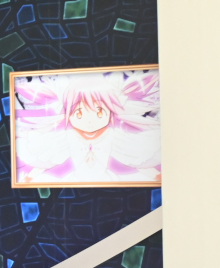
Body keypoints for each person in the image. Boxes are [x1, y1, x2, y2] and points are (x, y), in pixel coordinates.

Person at [13, 68, 160, 184]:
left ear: (111, 112)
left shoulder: (116, 136)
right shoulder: (64, 137)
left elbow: (136, 160)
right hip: (72, 183)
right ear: (68, 114)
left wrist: (158, 176)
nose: (89, 120)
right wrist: (28, 179)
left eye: (99, 111)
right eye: (79, 112)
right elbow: (47, 161)